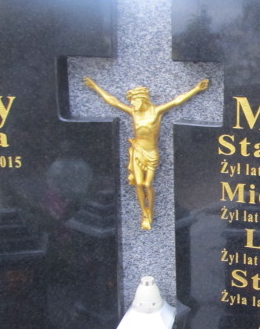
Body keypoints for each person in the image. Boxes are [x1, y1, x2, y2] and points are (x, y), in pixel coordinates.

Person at [84, 77, 209, 230]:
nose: (132, 104)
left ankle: (151, 210)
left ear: (142, 100)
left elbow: (177, 101)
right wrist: (95, 87)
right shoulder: (134, 113)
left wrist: (197, 89)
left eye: (134, 101)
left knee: (147, 184)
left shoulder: (156, 112)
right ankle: (145, 213)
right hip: (138, 152)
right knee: (138, 184)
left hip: (151, 153)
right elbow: (113, 101)